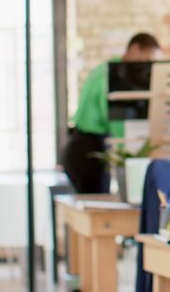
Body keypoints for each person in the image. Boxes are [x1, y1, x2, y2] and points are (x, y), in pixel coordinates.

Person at [61, 32, 161, 194]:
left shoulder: (113, 71)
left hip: (93, 145)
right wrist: (130, 155)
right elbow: (113, 118)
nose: (147, 67)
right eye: (146, 59)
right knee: (96, 205)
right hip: (85, 148)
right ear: (135, 49)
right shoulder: (109, 75)